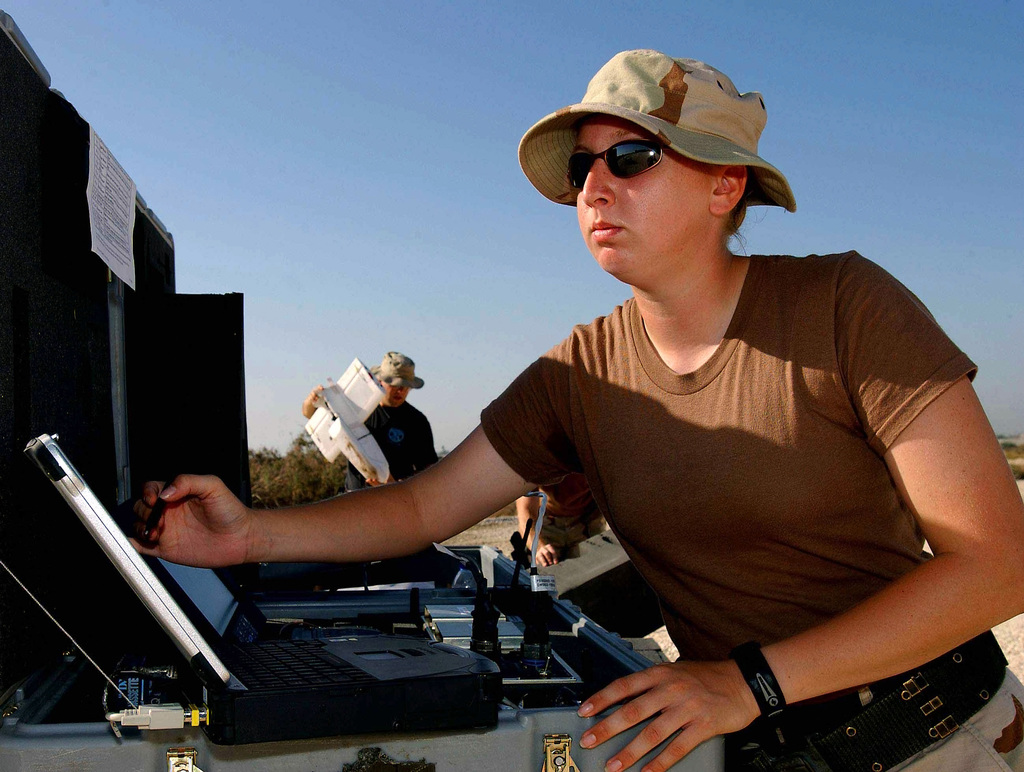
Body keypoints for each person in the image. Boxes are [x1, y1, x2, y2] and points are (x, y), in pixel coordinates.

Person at [133, 50, 1024, 771]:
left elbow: (997, 565)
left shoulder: (847, 306)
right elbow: (421, 506)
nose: (594, 189)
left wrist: (748, 683)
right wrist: (249, 534)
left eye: (631, 158)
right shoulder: (580, 373)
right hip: (758, 744)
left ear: (725, 188)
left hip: (941, 738)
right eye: (581, 168)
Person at [301, 351, 438, 490]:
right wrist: (311, 401)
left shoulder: (417, 421)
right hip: (355, 497)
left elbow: (429, 468)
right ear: (380, 380)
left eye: (405, 386)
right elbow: (311, 415)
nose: (400, 391)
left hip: (393, 500)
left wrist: (397, 485)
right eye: (395, 385)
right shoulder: (356, 406)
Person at [516, 473, 606, 567]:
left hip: (585, 522)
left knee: (596, 569)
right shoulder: (539, 463)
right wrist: (538, 547)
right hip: (548, 525)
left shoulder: (595, 461)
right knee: (545, 571)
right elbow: (526, 511)